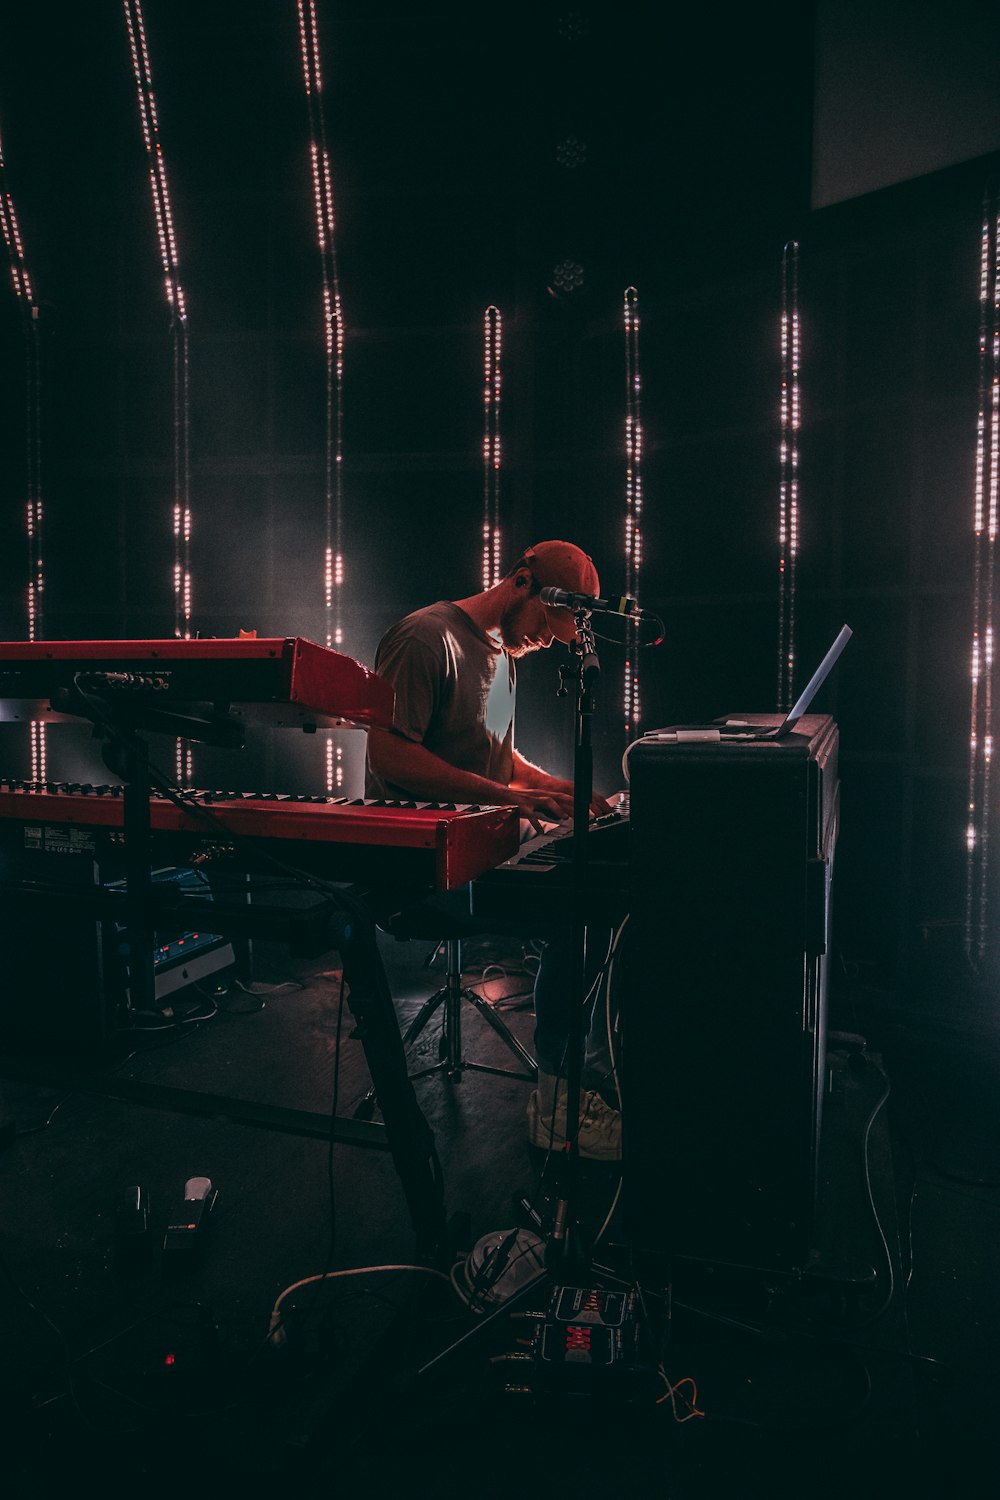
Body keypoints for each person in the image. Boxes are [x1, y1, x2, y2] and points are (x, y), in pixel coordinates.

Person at [365, 540, 622, 1160]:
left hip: (479, 857)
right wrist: (506, 799)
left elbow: (499, 760)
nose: (546, 641)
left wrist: (570, 792)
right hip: (417, 872)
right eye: (545, 625)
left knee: (602, 889)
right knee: (576, 914)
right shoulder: (426, 638)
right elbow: (390, 754)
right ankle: (558, 1103)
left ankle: (576, 1072)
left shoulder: (503, 658)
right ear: (521, 582)